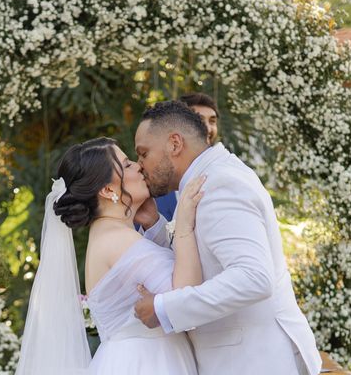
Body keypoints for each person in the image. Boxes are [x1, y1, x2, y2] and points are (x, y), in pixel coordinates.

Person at [134, 101, 321, 375]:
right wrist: (155, 226)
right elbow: (203, 259)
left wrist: (164, 308)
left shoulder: (220, 184)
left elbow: (253, 278)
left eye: (143, 153)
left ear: (174, 144)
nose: (140, 166)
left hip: (255, 362)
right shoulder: (208, 178)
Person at [15, 137, 206, 375]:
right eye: (126, 165)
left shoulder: (110, 235)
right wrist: (185, 226)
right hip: (146, 363)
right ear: (107, 190)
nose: (138, 166)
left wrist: (154, 225)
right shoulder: (118, 241)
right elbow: (186, 301)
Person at [155, 92, 220, 221]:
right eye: (200, 120)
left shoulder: (225, 176)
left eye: (212, 121)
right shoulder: (158, 185)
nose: (207, 128)